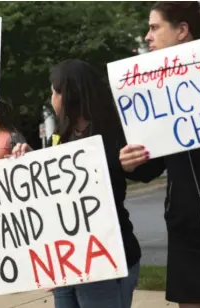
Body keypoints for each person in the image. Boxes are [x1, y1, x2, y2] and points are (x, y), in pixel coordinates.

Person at [119, 2, 200, 307]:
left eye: (155, 27)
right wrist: (131, 162)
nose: (146, 36)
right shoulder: (152, 92)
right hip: (187, 230)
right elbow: (150, 166)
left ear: (182, 30)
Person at [12, 60, 141, 308]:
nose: (51, 97)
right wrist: (31, 160)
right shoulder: (60, 135)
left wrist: (123, 163)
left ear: (69, 95)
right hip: (67, 262)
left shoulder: (114, 133)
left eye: (54, 91)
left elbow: (144, 171)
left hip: (104, 258)